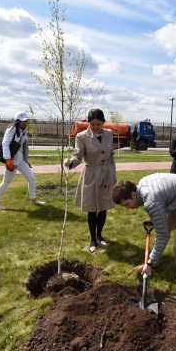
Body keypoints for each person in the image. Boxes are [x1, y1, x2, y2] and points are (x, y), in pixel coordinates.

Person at [112, 173, 176, 301]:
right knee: (163, 227)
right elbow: (160, 203)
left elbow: (163, 235)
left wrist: (148, 262)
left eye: (126, 204)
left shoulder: (150, 201)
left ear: (133, 194)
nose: (126, 208)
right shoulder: (141, 185)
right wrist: (155, 217)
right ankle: (153, 263)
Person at [64, 108, 116, 253]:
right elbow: (78, 155)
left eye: (98, 124)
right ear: (88, 123)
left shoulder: (109, 134)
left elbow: (111, 154)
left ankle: (100, 234)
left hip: (106, 173)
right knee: (92, 208)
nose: (95, 127)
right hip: (91, 174)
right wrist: (71, 163)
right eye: (92, 124)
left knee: (104, 206)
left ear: (103, 123)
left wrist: (113, 171)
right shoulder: (82, 136)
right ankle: (93, 238)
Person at [0, 112, 45, 210]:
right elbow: (5, 144)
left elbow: (23, 146)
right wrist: (8, 160)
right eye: (22, 121)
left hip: (20, 160)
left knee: (31, 179)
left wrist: (26, 160)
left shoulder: (23, 131)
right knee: (6, 182)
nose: (24, 123)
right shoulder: (11, 129)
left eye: (26, 121)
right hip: (13, 160)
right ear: (17, 121)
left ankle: (33, 200)